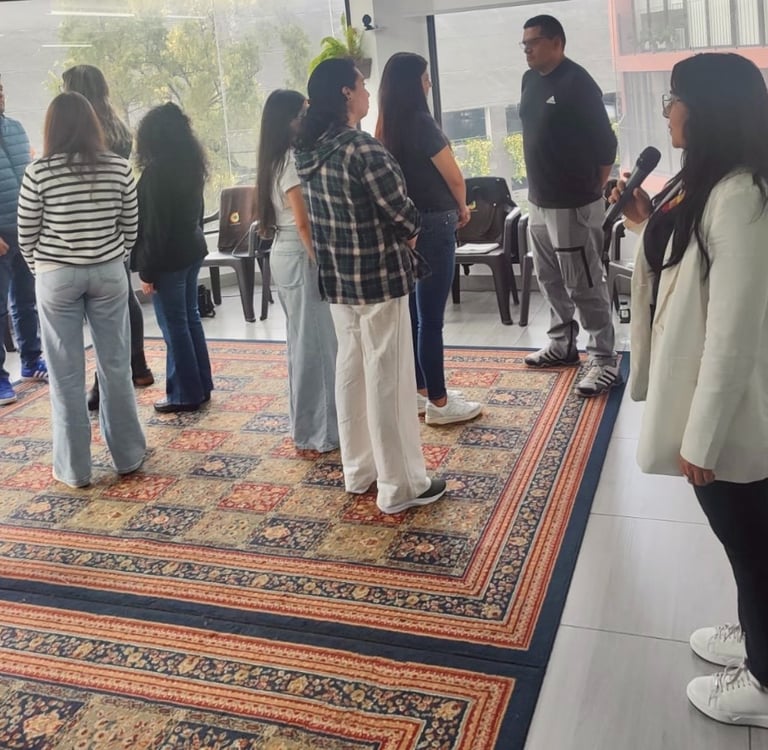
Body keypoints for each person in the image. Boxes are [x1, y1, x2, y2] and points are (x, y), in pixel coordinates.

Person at [613, 52, 768, 728]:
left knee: (753, 544)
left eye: (674, 97)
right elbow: (682, 263)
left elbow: (734, 332)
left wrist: (702, 437)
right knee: (746, 542)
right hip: (717, 400)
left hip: (735, 413)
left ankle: (764, 683)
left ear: (708, 109)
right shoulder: (707, 182)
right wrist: (644, 221)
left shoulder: (741, 195)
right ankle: (756, 633)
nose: (668, 110)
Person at [294, 58, 445, 515]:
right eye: (361, 85)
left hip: (338, 280)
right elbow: (403, 215)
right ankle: (401, 485)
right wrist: (412, 230)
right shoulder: (362, 148)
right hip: (378, 278)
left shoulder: (308, 150)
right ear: (345, 93)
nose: (366, 93)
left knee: (352, 371)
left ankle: (359, 471)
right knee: (389, 381)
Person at [16, 92, 146, 488]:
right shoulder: (118, 167)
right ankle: (128, 456)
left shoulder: (38, 172)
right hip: (108, 272)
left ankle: (74, 469)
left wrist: (42, 269)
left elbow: (26, 233)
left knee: (65, 373)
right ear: (93, 124)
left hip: (56, 276)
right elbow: (131, 227)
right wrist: (112, 258)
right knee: (116, 366)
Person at [376, 52, 482, 426]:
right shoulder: (422, 123)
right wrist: (462, 206)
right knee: (431, 318)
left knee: (413, 314)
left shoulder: (384, 127)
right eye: (425, 78)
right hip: (435, 221)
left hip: (404, 225)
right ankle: (439, 401)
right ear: (413, 84)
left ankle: (421, 392)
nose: (429, 84)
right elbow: (453, 176)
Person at [518, 15, 619, 396]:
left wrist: (590, 190)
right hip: (539, 200)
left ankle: (605, 360)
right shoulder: (529, 80)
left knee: (583, 283)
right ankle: (562, 344)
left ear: (557, 42)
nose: (527, 49)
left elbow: (606, 146)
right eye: (524, 44)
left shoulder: (579, 83)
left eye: (533, 42)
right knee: (548, 277)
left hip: (573, 202)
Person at [61, 64, 154, 410]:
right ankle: (139, 366)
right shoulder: (117, 126)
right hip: (117, 223)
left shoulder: (83, 132)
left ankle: (105, 382)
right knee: (123, 298)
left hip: (90, 230)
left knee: (102, 313)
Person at [256, 89, 338, 452]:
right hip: (300, 252)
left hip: (284, 251)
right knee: (318, 345)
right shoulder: (290, 159)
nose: (308, 118)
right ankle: (323, 433)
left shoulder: (273, 159)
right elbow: (303, 222)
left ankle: (306, 428)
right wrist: (321, 260)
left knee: (302, 343)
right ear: (288, 120)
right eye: (303, 112)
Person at [132, 102, 212, 414]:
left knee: (174, 326)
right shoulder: (191, 164)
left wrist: (147, 272)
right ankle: (200, 386)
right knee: (190, 319)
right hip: (192, 248)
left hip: (169, 259)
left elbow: (155, 230)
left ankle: (184, 394)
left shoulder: (156, 175)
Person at [0, 73, 48, 404]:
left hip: (26, 231)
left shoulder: (16, 128)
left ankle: (32, 361)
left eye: (1, 90)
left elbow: (30, 177)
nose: (1, 96)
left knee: (26, 301)